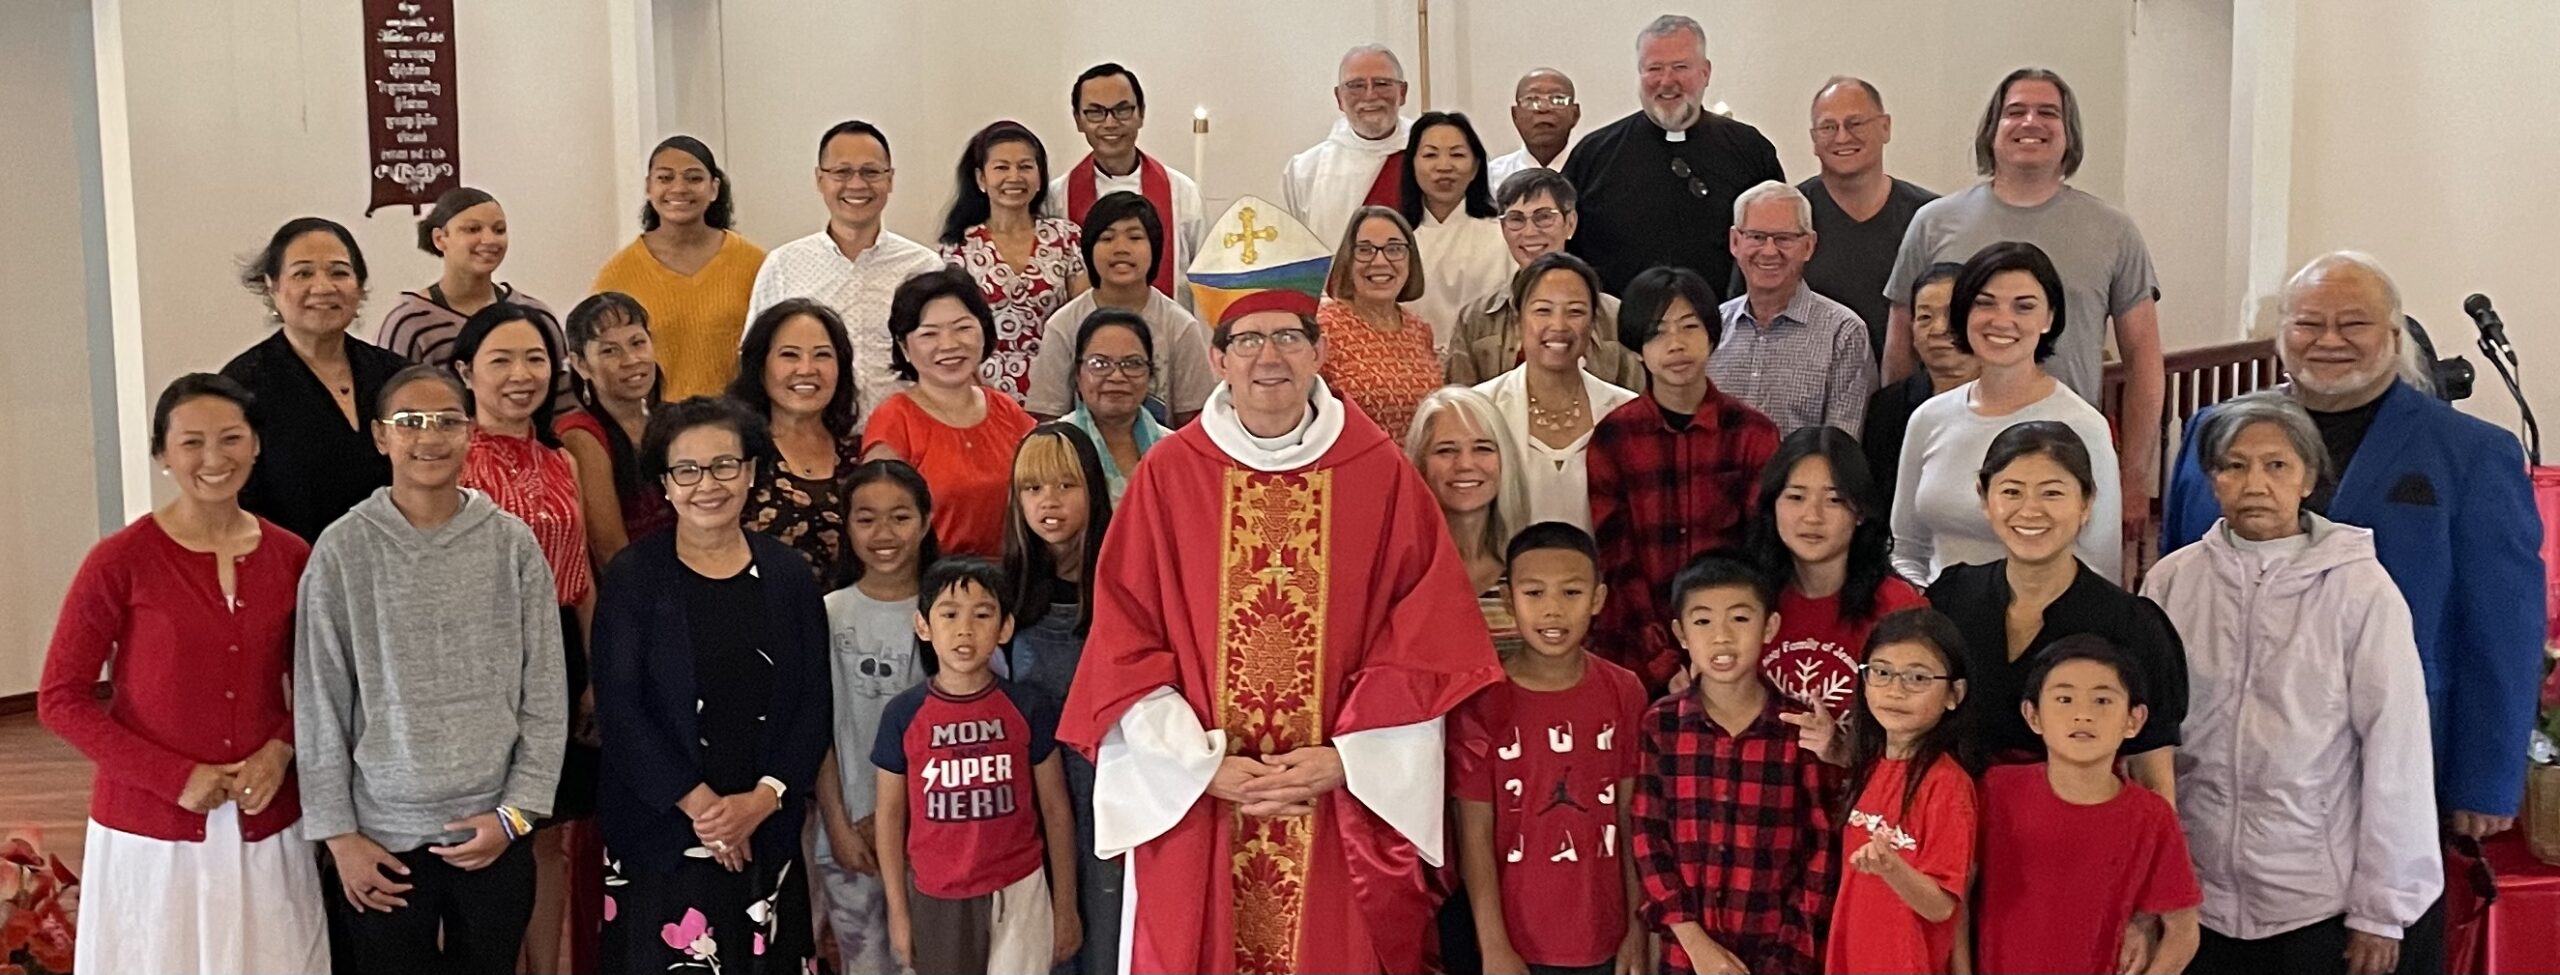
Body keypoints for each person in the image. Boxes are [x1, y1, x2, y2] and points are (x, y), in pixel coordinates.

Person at [1055, 282, 1505, 974]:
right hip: (1204, 799)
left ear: (1320, 352)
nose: (1271, 356)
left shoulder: (1378, 471)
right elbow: (1125, 643)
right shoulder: (1169, 476)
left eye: (1289, 338)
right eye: (1250, 340)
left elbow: (1426, 641)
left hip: (1332, 801)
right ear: (1217, 358)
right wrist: (1201, 767)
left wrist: (1349, 759)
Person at [2162, 251, 2542, 864]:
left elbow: (2504, 627)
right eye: (2309, 324)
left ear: (2393, 335)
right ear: (2281, 334)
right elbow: (2176, 594)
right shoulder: (2215, 432)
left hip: (2400, 757)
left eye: (2353, 324)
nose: (2329, 341)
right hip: (2230, 762)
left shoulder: (2472, 453)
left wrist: (2486, 776)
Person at [2146, 390, 2441, 975]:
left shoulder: (2361, 589)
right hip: (2194, 894)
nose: (2255, 482)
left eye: (2276, 465)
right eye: (2235, 465)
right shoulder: (2171, 583)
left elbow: (2396, 748)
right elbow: (2147, 740)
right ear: (2212, 480)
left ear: (2308, 478)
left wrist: (2381, 910)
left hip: (2313, 894)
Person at [39, 374, 328, 973]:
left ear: (255, 446)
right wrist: (172, 777)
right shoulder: (119, 560)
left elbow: (322, 683)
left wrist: (281, 749)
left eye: (230, 439)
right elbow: (61, 699)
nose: (213, 458)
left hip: (265, 823)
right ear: (162, 455)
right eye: (192, 443)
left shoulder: (293, 555)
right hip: (150, 830)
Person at [296, 365, 566, 975]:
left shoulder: (512, 544)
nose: (430, 437)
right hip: (381, 840)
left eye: (447, 421)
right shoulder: (342, 550)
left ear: (471, 433)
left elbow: (547, 694)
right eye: (410, 423)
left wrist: (516, 814)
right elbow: (320, 703)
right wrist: (341, 838)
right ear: (379, 437)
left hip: (493, 828)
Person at [591, 395, 832, 975]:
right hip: (662, 835)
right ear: (666, 484)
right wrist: (705, 811)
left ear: (750, 472)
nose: (708, 485)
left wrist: (762, 800)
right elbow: (621, 711)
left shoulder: (788, 575)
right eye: (687, 470)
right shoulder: (633, 576)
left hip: (763, 829)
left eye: (725, 465)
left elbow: (813, 704)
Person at [1884, 68, 2162, 539]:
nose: (2031, 122)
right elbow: (1899, 349)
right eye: (2015, 111)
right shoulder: (1934, 223)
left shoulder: (2113, 230)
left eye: (2047, 112)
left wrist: (2134, 475)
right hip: (1956, 448)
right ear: (1992, 130)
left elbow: (2144, 360)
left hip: (2064, 453)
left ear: (2068, 133)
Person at [445, 302, 600, 974]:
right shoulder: (447, 458)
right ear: (465, 371)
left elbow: (583, 571)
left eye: (535, 358)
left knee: (546, 834)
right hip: (478, 664)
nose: (520, 374)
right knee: (485, 831)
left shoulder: (562, 458)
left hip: (558, 652)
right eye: (500, 360)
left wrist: (593, 670)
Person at [1923, 421, 2184, 800]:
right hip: (1952, 823)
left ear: (2087, 502)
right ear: (1984, 498)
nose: (2030, 511)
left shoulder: (2130, 625)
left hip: (2073, 831)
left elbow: (2152, 780)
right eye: (2011, 491)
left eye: (2052, 493)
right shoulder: (1949, 598)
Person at [1451, 522, 1649, 975]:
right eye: (1535, 593)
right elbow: (1474, 832)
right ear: (1508, 600)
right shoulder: (1480, 700)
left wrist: (1637, 931)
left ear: (1598, 599)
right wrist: (1494, 946)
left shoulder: (1625, 691)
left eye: (1572, 593)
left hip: (1606, 937)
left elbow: (1630, 816)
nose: (1553, 611)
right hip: (1517, 945)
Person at [875, 558, 1081, 975]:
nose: (964, 629)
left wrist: (1066, 906)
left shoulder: (1028, 707)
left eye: (982, 614)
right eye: (949, 614)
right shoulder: (903, 713)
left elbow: (1057, 810)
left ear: (1004, 628)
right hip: (937, 894)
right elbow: (890, 815)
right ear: (923, 626)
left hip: (1020, 888)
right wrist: (898, 912)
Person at [1632, 552, 1836, 975]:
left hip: (1780, 953)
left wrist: (1788, 953)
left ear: (1770, 627)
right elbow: (1649, 838)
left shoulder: (1797, 729)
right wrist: (1693, 941)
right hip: (1688, 954)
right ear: (1681, 633)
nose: (1721, 637)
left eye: (1740, 619)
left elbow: (1819, 849)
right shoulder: (1662, 725)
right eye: (1703, 621)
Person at [1588, 267, 1780, 690]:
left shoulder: (1753, 433)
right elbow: (1616, 560)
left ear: (1712, 336)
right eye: (1657, 332)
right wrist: (1661, 658)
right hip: (1636, 652)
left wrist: (1716, 650)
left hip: (1733, 651)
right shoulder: (1613, 437)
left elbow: (1760, 552)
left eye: (1689, 327)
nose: (1676, 345)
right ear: (1637, 347)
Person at [1890, 241, 2123, 584]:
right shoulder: (1929, 418)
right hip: (1935, 621)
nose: (2002, 320)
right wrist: (1925, 609)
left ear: (2049, 318)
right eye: (1985, 303)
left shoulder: (2082, 425)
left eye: (2023, 307)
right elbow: (1907, 547)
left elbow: (2100, 566)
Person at [1975, 636, 2203, 975]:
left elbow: (2183, 931)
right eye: (2064, 699)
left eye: (2102, 700)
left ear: (2134, 719)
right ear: (2033, 714)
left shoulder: (2150, 816)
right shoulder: (1996, 790)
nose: (2083, 715)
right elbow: (1959, 896)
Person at [813, 459, 939, 975]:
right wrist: (838, 823)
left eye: (900, 517)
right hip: (847, 835)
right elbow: (817, 726)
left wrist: (906, 822)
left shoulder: (950, 610)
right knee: (865, 962)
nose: (883, 534)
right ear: (846, 525)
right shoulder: (826, 613)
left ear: (927, 521)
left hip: (930, 835)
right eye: (866, 518)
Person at [1003, 425, 1121, 975]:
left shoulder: (1127, 580)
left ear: (1093, 491)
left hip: (1112, 793)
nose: (1048, 503)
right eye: (1032, 489)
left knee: (1108, 938)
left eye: (1065, 485)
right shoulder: (1004, 592)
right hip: (1029, 805)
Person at [1562, 15, 1783, 294]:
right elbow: (1565, 249)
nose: (1667, 81)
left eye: (1680, 67)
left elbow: (1778, 241)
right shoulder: (1593, 155)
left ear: (1705, 73)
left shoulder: (1749, 149)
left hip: (1725, 329)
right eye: (1654, 68)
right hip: (1618, 332)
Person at [750, 120, 950, 428]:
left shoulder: (923, 267)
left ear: (890, 179)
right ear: (819, 179)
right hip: (811, 440)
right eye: (842, 172)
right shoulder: (783, 265)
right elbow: (754, 361)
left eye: (871, 172)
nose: (857, 185)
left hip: (909, 437)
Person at [222, 217, 409, 542]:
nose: (323, 288)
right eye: (303, 273)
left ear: (359, 286)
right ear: (273, 285)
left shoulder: (396, 376)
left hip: (397, 570)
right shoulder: (241, 386)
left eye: (339, 272)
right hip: (293, 574)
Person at [1823, 609, 1974, 975]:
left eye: (1918, 677)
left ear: (1954, 694)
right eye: (1882, 672)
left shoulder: (1948, 784)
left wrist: (1892, 868)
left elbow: (1942, 905)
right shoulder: (1870, 767)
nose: (1895, 690)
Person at [1748, 427, 1927, 716]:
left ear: (1860, 512)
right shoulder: (1746, 602)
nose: (1812, 516)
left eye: (1834, 500)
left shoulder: (1900, 608)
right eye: (1796, 497)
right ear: (1773, 505)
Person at [864, 268, 1039, 557]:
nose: (949, 345)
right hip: (935, 588)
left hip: (1014, 582)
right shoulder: (894, 420)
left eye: (963, 328)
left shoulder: (1006, 409)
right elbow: (881, 530)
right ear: (904, 347)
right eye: (929, 334)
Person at [592, 135, 768, 400]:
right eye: (665, 178)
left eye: (694, 178)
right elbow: (600, 360)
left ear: (714, 188)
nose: (679, 188)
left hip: (740, 425)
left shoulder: (756, 264)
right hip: (654, 430)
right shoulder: (618, 274)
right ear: (648, 187)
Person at [1473, 252, 1638, 530]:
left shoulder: (1625, 412)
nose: (1558, 326)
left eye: (1575, 312)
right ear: (1518, 321)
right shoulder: (1481, 409)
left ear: (1593, 324)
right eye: (1542, 310)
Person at [1445, 168, 1648, 390]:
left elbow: (1636, 404)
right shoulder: (1475, 318)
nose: (1530, 232)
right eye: (1516, 219)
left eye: (1543, 218)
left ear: (1570, 223)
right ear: (1503, 229)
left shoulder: (1614, 315)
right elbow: (1460, 408)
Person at [1026, 191, 1216, 425]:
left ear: (1154, 248)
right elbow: (1048, 417)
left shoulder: (1179, 325)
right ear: (1088, 249)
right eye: (1107, 238)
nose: (1121, 249)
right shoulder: (1063, 325)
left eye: (1135, 238)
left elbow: (1194, 420)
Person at [377, 187, 568, 412]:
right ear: (440, 239)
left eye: (499, 230)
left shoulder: (534, 313)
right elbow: (392, 406)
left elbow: (563, 402)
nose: (489, 239)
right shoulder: (408, 323)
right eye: (472, 229)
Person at [940, 120, 1089, 402]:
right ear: (981, 178)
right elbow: (951, 329)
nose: (1014, 176)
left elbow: (1081, 321)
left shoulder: (1067, 238)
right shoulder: (958, 248)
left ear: (1040, 176)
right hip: (982, 391)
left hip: (1058, 386)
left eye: (1025, 166)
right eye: (1001, 167)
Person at [1710, 180, 1875, 435]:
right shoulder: (1712, 326)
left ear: (1808, 245)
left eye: (1783, 238)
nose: (1769, 251)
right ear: (1735, 242)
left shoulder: (1843, 332)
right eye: (1756, 237)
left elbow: (1840, 448)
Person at [1048, 62, 1206, 307]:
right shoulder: (1057, 197)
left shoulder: (1182, 193)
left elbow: (1203, 284)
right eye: (1095, 112)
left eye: (1122, 110)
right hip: (1087, 340)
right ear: (1078, 120)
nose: (1110, 123)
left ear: (1141, 114)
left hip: (1166, 338)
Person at [1798, 77, 1936, 360]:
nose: (1842, 137)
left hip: (1910, 397)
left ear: (1885, 127)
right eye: (1828, 127)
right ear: (1814, 140)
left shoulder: (1930, 218)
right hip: (1809, 393)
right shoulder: (1786, 219)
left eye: (1855, 123)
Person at [731, 298, 864, 579]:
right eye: (790, 355)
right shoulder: (735, 456)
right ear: (760, 364)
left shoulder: (863, 456)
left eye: (822, 355)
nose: (806, 369)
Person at [1407, 385, 1534, 660]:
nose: (1465, 464)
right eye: (1445, 450)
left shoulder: (1532, 570)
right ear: (1419, 465)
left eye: (1482, 448)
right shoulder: (1400, 575)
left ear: (1505, 461)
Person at [558, 292, 672, 569]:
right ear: (580, 364)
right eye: (610, 350)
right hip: (636, 589)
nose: (631, 360)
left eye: (638, 343)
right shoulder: (580, 435)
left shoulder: (669, 419)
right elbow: (610, 551)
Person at [1318, 206, 1442, 437]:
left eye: (1394, 249)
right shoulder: (1324, 327)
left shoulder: (1420, 330)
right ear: (1347, 259)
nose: (1380, 261)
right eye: (1365, 250)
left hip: (1415, 470)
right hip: (1356, 467)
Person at [1861, 263, 1974, 502]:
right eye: (1925, 317)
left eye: (1953, 315)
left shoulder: (2012, 397)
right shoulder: (1888, 407)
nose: (1939, 329)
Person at [1399, 111, 1511, 350]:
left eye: (1457, 155)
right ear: (1412, 165)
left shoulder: (1503, 236)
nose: (1444, 166)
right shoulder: (1395, 239)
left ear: (1475, 167)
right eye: (1430, 155)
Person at [1284, 43, 1416, 247]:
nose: (1370, 95)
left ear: (1403, 92)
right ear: (1339, 98)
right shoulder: (1305, 170)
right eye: (1356, 86)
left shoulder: (1429, 157)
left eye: (1382, 83)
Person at [1059, 308, 1178, 503]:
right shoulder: (1051, 446)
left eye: (1132, 364)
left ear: (1150, 375)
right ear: (1078, 375)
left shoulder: (1174, 449)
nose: (1116, 376)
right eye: (1099, 364)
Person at [1485, 68, 1582, 192]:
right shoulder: (1491, 178)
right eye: (1531, 99)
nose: (1543, 108)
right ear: (1515, 115)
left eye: (1558, 99)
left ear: (1575, 114)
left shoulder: (1595, 174)